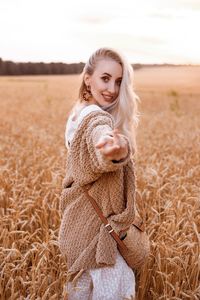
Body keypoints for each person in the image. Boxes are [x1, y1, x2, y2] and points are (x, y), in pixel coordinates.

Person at [58, 47, 140, 300]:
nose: (112, 89)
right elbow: (100, 135)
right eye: (105, 78)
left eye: (118, 81)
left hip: (77, 231)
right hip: (98, 237)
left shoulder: (77, 113)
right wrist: (115, 150)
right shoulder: (94, 117)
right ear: (88, 78)